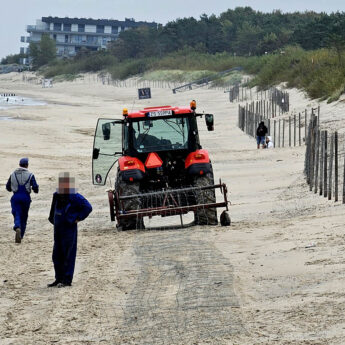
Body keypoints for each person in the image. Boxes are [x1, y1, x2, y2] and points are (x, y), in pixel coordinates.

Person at [48, 172, 92, 288]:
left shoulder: (75, 196)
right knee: (56, 255)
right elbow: (52, 210)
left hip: (69, 229)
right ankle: (58, 278)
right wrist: (53, 220)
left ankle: (67, 280)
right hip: (58, 229)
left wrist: (78, 218)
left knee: (68, 254)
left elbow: (88, 207)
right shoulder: (56, 195)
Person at [6, 158, 39, 243]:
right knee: (24, 216)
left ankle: (17, 226)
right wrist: (35, 190)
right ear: (27, 165)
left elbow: (8, 187)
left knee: (16, 213)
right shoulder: (30, 175)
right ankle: (21, 235)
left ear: (19, 164)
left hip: (16, 197)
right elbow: (35, 187)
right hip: (25, 197)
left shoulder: (12, 174)